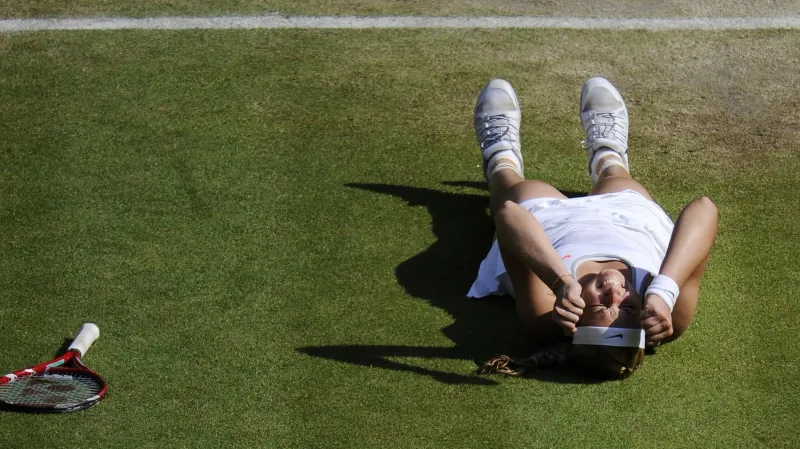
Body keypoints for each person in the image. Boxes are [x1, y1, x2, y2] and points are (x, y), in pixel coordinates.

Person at [468, 77, 718, 379]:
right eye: (627, 310)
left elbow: (510, 217)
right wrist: (665, 291)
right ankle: (607, 151)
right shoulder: (666, 317)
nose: (614, 293)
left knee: (516, 192)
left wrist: (560, 282)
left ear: (575, 321)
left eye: (601, 308)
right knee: (620, 180)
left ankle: (501, 154)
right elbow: (704, 209)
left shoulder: (545, 316)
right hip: (626, 217)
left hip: (545, 226)